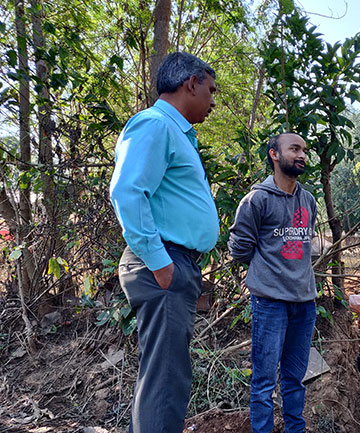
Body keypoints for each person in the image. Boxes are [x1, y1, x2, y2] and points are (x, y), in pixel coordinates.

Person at [109, 52, 218, 432]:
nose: (213, 100)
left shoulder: (175, 132)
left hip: (174, 263)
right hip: (163, 264)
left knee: (164, 379)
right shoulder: (155, 125)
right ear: (191, 83)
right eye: (210, 89)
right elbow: (128, 192)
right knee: (165, 384)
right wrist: (161, 263)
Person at [228, 133, 318, 433]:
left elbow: (306, 245)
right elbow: (240, 248)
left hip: (305, 302)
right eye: (294, 149)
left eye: (304, 150)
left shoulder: (308, 200)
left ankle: (295, 429)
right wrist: (268, 274)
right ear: (274, 155)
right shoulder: (256, 200)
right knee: (264, 380)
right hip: (270, 304)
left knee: (295, 378)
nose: (302, 154)